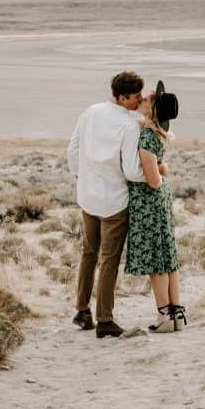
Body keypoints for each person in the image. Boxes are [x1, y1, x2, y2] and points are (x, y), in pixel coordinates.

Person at [66, 71, 145, 338]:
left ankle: (81, 310)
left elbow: (72, 151)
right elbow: (133, 172)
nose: (141, 99)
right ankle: (105, 320)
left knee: (89, 253)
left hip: (88, 197)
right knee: (109, 260)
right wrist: (157, 171)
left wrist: (83, 177)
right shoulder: (130, 125)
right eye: (136, 96)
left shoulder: (91, 112)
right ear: (123, 97)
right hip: (114, 201)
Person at [125, 80, 185, 333]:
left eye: (148, 99)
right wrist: (163, 168)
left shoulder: (147, 137)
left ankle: (163, 316)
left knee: (156, 262)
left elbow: (152, 180)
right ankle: (176, 315)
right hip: (158, 201)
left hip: (149, 204)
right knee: (167, 258)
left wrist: (160, 169)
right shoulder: (153, 130)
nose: (143, 100)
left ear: (153, 110)